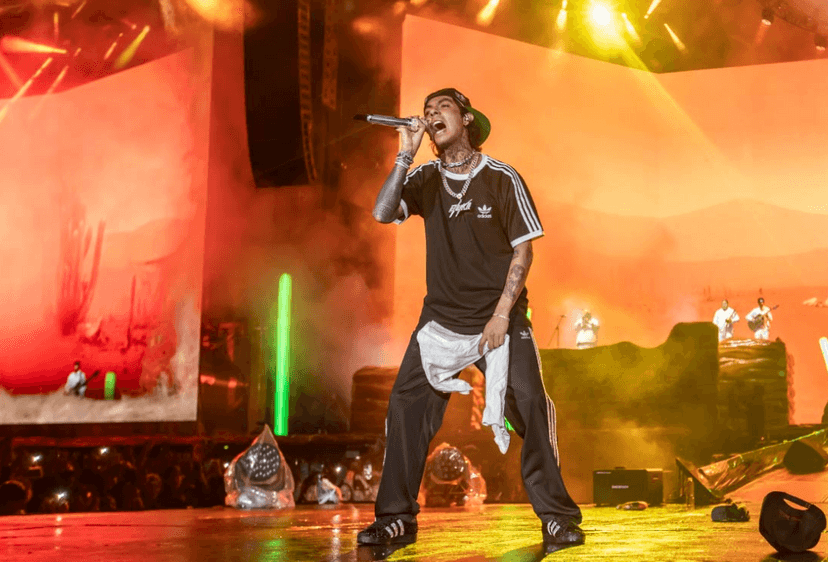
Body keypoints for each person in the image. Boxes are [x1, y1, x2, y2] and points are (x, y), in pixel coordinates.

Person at [357, 88, 583, 553]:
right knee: (404, 406)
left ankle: (557, 518)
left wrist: (501, 315)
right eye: (427, 110)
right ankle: (395, 519)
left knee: (530, 403)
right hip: (441, 320)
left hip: (498, 317)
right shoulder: (424, 178)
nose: (431, 114)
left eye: (442, 107)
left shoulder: (501, 177)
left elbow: (524, 250)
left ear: (465, 119)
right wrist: (404, 155)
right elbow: (382, 213)